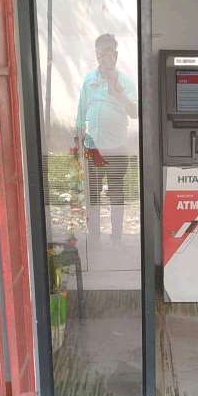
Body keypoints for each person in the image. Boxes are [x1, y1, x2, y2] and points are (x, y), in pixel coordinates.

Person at [74, 33, 138, 245]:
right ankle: (94, 237)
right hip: (93, 148)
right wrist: (77, 140)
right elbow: (81, 111)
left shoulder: (125, 82)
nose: (104, 57)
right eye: (100, 53)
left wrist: (116, 90)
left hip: (117, 148)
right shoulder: (89, 80)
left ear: (115, 55)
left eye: (108, 52)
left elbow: (134, 112)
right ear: (96, 55)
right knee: (92, 194)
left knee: (116, 193)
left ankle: (117, 238)